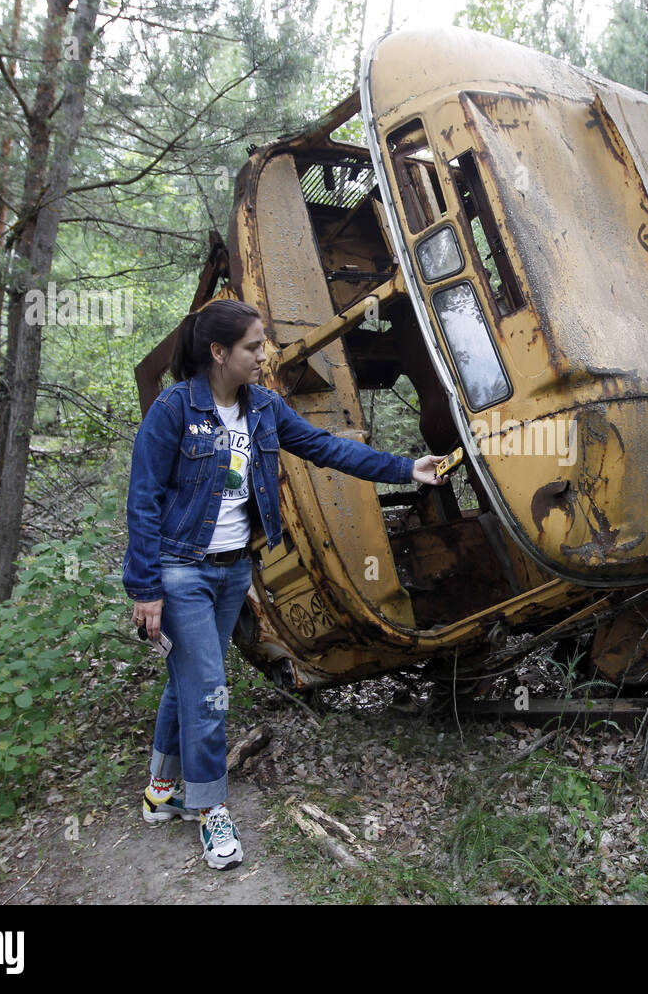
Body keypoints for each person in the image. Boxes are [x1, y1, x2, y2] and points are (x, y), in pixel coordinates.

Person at [123, 298, 446, 869]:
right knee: (207, 689)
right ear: (219, 353)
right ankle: (211, 808)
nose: (262, 355)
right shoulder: (175, 410)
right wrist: (144, 588)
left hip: (231, 572)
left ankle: (160, 790)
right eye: (253, 346)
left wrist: (403, 468)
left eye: (263, 343)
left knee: (188, 680)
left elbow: (325, 448)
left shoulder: (264, 409)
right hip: (180, 571)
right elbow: (143, 501)